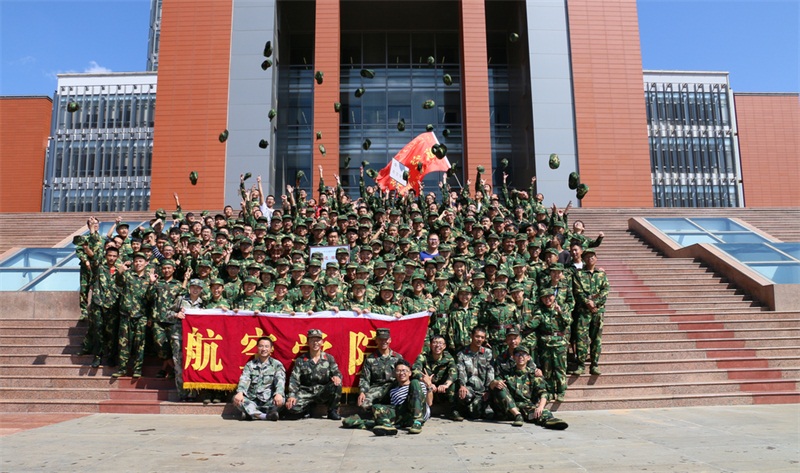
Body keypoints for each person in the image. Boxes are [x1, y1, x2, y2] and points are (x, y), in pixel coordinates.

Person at [497, 347, 568, 430]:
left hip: (527, 408)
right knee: (499, 386)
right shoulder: (506, 373)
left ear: (528, 357)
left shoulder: (533, 374)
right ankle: (517, 415)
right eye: (517, 354)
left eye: (523, 354)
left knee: (543, 413)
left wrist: (540, 407)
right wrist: (494, 383)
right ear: (513, 357)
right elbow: (495, 383)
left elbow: (543, 392)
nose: (520, 357)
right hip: (509, 409)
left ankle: (550, 421)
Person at [285, 329, 343, 420]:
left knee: (337, 384)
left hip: (322, 391)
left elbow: (337, 372)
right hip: (306, 392)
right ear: (308, 342)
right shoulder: (301, 360)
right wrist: (292, 395)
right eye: (312, 340)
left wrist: (337, 377)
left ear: (322, 342)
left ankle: (332, 411)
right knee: (291, 407)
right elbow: (294, 379)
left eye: (318, 340)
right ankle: (307, 408)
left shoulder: (329, 358)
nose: (315, 343)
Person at [113, 252, 153, 378]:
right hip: (126, 314)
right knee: (123, 343)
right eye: (136, 261)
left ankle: (137, 369)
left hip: (141, 316)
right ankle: (122, 368)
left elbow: (152, 299)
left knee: (139, 344)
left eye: (141, 261)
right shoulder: (128, 275)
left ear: (146, 263)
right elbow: (119, 283)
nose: (138, 263)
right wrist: (119, 273)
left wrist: (152, 284)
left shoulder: (149, 278)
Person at [570, 247, 609, 376]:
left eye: (592, 256)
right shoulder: (579, 274)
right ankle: (581, 365)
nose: (590, 258)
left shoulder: (601, 274)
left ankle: (594, 364)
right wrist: (587, 302)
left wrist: (595, 303)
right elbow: (577, 291)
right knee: (581, 338)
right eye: (587, 257)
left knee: (596, 339)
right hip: (583, 311)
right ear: (583, 259)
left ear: (596, 258)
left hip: (597, 311)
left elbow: (605, 291)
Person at [371, 360, 435, 436]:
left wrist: (429, 385)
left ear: (410, 373)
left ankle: (417, 421)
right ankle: (387, 425)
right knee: (376, 406)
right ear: (395, 374)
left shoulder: (419, 384)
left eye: (404, 371)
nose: (401, 373)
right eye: (398, 371)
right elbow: (395, 410)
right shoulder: (393, 390)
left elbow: (429, 403)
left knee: (414, 382)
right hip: (403, 416)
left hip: (418, 413)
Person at [233, 337, 286, 421]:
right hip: (252, 400)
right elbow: (244, 379)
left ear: (271, 349)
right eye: (261, 346)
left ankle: (251, 414)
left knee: (282, 400)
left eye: (266, 346)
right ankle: (265, 416)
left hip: (269, 401)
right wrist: (240, 392)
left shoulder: (277, 365)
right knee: (237, 400)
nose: (264, 349)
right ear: (257, 348)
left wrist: (279, 393)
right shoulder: (250, 365)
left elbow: (280, 381)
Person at [357, 328, 405, 410]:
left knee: (404, 402)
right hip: (376, 389)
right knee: (364, 404)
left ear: (390, 340)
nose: (383, 342)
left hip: (394, 388)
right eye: (380, 339)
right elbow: (365, 379)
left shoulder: (398, 358)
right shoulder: (370, 359)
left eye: (386, 339)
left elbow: (404, 375)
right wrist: (362, 392)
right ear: (376, 341)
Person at [413, 335, 457, 419]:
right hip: (427, 387)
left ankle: (452, 410)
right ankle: (421, 410)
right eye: (435, 343)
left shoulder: (448, 357)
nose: (437, 345)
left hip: (441, 389)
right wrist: (427, 382)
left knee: (453, 385)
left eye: (440, 343)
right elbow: (415, 370)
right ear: (430, 345)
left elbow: (453, 371)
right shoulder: (423, 356)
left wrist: (446, 385)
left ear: (444, 346)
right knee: (416, 383)